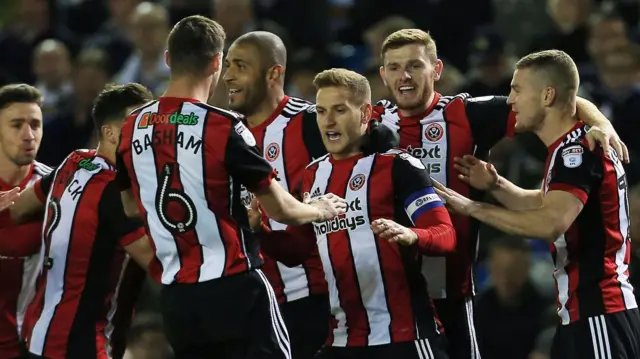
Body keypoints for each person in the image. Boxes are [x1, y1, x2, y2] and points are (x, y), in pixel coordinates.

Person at [373, 28, 630, 359]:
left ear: (436, 70)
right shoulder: (368, 121)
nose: (404, 75)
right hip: (381, 289)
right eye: (393, 67)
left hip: (451, 285)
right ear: (382, 74)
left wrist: (602, 125)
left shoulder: (467, 113)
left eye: (414, 65)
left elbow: (561, 99)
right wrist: (495, 186)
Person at [115, 16, 347, 359]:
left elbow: (132, 208)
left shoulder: (131, 126)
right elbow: (280, 208)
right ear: (215, 62)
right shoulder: (221, 125)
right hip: (234, 287)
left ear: (167, 59)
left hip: (178, 300)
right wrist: (320, 208)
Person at [435, 50, 640, 359]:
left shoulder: (577, 152)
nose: (510, 100)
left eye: (517, 89)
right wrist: (495, 185)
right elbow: (545, 202)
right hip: (586, 313)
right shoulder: (571, 146)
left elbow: (550, 222)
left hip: (599, 311)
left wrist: (472, 208)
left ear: (547, 95)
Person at [251, 68, 455, 359]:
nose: (328, 121)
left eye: (339, 110)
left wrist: (412, 234)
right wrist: (261, 232)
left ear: (365, 113)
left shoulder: (398, 166)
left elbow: (445, 234)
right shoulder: (312, 176)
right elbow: (297, 250)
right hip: (343, 340)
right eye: (321, 111)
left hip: (405, 337)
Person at [223, 30, 398, 359]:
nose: (228, 75)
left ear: (273, 73)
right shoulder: (227, 135)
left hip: (320, 299)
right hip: (258, 299)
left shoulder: (310, 122)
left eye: (240, 66)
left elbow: (383, 144)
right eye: (228, 65)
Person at [0, 83, 155, 359]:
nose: (149, 137)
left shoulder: (73, 162)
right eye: (140, 127)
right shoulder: (117, 193)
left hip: (38, 337)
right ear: (109, 133)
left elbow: (18, 209)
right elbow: (161, 265)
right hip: (82, 344)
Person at [0, 84, 51, 359]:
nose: (28, 135)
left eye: (35, 125)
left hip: (38, 345)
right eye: (16, 125)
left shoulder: (59, 189)